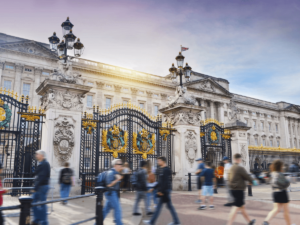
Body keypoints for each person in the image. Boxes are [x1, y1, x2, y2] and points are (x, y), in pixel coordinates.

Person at [143, 156, 181, 225]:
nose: (158, 162)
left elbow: (166, 182)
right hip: (164, 191)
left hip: (165, 191)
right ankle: (176, 221)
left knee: (161, 208)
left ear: (163, 161)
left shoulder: (165, 170)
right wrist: (153, 188)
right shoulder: (162, 169)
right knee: (166, 207)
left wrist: (161, 191)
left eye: (159, 161)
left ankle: (152, 222)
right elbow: (160, 182)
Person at [227, 153, 255, 225]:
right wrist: (253, 181)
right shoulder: (240, 168)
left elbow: (228, 179)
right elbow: (247, 176)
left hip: (233, 189)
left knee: (242, 207)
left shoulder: (231, 168)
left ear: (234, 159)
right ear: (239, 159)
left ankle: (249, 222)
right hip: (239, 190)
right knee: (236, 207)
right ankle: (229, 223)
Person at [263, 160, 292, 225]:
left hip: (275, 193)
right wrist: (288, 180)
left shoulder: (272, 174)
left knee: (276, 209)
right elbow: (286, 184)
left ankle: (266, 221)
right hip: (282, 192)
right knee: (286, 211)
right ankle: (289, 224)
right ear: (280, 166)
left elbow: (269, 182)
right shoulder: (280, 174)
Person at [32, 150, 51, 225]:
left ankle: (43, 222)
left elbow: (42, 176)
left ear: (42, 155)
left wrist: (35, 187)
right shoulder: (41, 163)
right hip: (40, 186)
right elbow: (37, 173)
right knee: (34, 202)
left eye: (37, 154)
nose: (36, 155)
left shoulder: (45, 164)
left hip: (42, 186)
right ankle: (37, 219)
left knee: (42, 204)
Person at [103, 159, 123, 225]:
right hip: (111, 193)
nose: (121, 165)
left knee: (106, 210)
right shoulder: (111, 173)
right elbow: (108, 185)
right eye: (119, 164)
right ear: (115, 165)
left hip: (113, 193)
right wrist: (117, 179)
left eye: (121, 164)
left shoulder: (116, 173)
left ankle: (97, 223)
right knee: (118, 209)